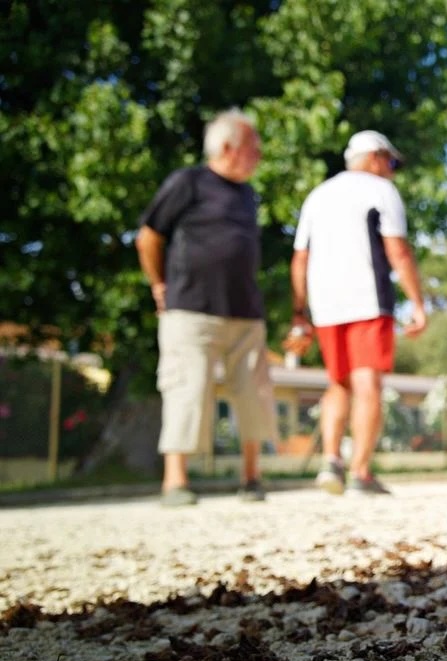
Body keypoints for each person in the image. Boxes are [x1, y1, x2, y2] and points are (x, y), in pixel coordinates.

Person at [135, 108, 278, 506]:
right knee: (186, 388)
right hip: (190, 309)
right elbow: (148, 237)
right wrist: (158, 285)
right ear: (229, 147)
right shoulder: (188, 182)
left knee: (254, 392)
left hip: (245, 311)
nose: (259, 155)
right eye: (255, 146)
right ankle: (175, 482)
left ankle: (252, 478)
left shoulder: (249, 194)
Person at [287, 130, 427, 495]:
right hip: (367, 299)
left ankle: (331, 460)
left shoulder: (317, 196)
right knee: (367, 383)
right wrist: (417, 303)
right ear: (376, 157)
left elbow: (300, 258)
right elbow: (397, 250)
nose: (392, 171)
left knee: (338, 382)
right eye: (391, 163)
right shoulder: (380, 191)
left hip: (324, 304)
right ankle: (360, 473)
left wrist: (299, 312)